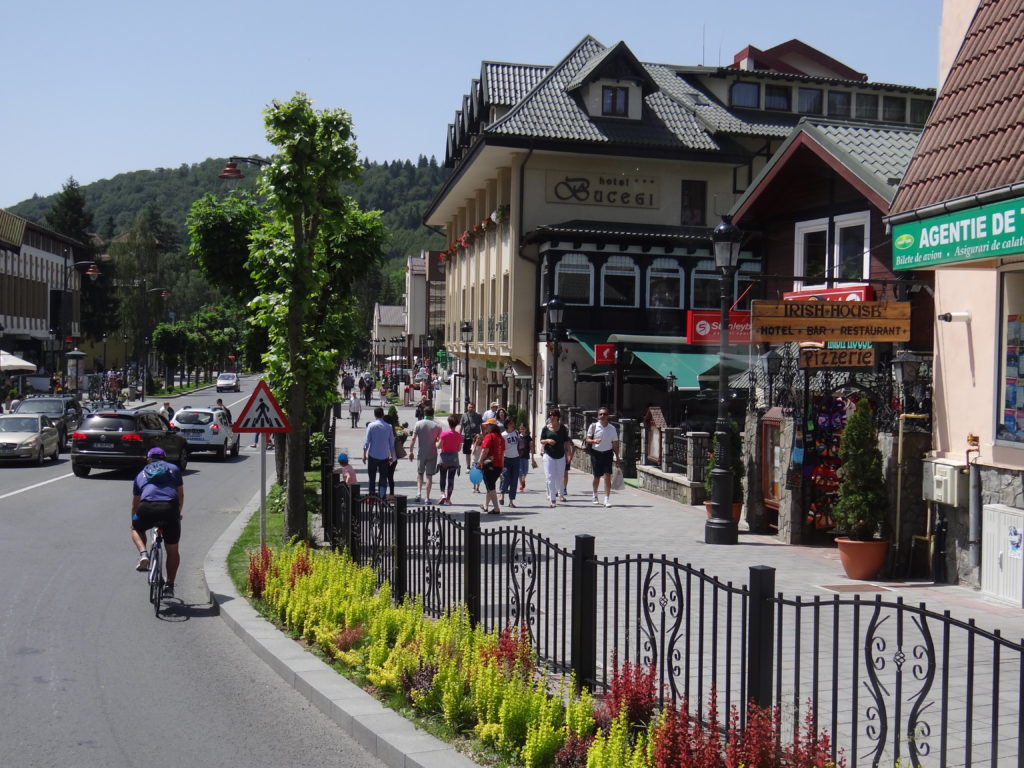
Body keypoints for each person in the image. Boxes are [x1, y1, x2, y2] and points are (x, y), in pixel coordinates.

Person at [130, 446, 184, 596]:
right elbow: (180, 495)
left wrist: (134, 520)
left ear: (148, 459)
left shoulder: (141, 474)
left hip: (146, 508)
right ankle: (170, 586)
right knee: (173, 550)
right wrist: (177, 513)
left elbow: (135, 504)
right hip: (169, 508)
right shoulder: (173, 469)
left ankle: (143, 554)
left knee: (136, 529)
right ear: (164, 459)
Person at [586, 408, 620, 507]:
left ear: (607, 416)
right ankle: (595, 495)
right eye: (600, 414)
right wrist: (594, 441)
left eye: (604, 414)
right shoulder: (593, 426)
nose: (602, 416)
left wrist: (617, 457)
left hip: (608, 454)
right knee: (596, 476)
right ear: (598, 416)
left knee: (607, 476)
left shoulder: (612, 428)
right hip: (596, 453)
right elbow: (587, 439)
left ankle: (606, 499)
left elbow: (615, 444)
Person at [539, 408, 572, 508]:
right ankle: (552, 499)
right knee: (550, 477)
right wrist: (548, 441)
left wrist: (568, 455)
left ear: (557, 417)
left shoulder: (562, 428)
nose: (551, 417)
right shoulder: (545, 428)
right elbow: (541, 440)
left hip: (560, 455)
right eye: (550, 415)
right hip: (548, 455)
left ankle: (560, 493)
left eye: (553, 415)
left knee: (560, 477)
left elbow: (566, 442)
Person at [409, 405, 441, 503]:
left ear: (424, 413)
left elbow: (413, 438)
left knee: (420, 473)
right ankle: (427, 497)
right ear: (433, 414)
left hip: (421, 453)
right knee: (429, 476)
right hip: (432, 453)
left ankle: (418, 493)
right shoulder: (437, 426)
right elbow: (439, 442)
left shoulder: (418, 424)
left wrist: (410, 451)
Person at [362, 406, 396, 498]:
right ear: (383, 414)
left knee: (372, 478)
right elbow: (392, 443)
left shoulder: (371, 426)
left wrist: (364, 454)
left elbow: (367, 441)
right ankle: (382, 496)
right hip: (384, 456)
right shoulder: (388, 427)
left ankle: (372, 496)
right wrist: (392, 456)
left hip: (373, 455)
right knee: (383, 478)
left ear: (375, 415)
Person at [477, 418, 504, 514]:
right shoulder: (500, 437)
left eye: (487, 425)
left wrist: (479, 461)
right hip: (498, 466)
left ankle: (496, 508)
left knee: (491, 487)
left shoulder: (489, 436)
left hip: (489, 465)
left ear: (492, 426)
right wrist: (502, 466)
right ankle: (486, 505)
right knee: (490, 486)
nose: (485, 427)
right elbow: (503, 453)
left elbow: (485, 451)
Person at [436, 414, 462, 505]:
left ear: (449, 423)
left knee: (442, 477)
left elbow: (439, 446)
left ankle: (442, 494)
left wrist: (436, 442)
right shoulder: (459, 435)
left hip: (444, 459)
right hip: (454, 459)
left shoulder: (444, 434)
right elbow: (459, 449)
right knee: (451, 479)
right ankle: (448, 499)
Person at [498, 417, 520, 507]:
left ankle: (511, 501)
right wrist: (501, 462)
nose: (512, 424)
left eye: (513, 423)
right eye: (510, 423)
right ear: (506, 425)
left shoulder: (516, 433)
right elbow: (501, 449)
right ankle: (502, 495)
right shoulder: (503, 435)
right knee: (506, 479)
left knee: (514, 480)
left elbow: (519, 443)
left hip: (516, 458)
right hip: (506, 459)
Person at [459, 402, 483, 471]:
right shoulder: (464, 415)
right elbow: (461, 426)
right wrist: (459, 435)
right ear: (467, 407)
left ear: (474, 408)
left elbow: (482, 425)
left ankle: (477, 465)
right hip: (467, 437)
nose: (471, 408)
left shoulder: (478, 415)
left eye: (472, 407)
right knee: (467, 452)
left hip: (477, 438)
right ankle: (468, 467)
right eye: (469, 407)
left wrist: (483, 435)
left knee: (477, 451)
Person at [517, 423, 536, 491]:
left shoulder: (528, 437)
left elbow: (531, 447)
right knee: (520, 471)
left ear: (525, 429)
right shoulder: (518, 437)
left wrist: (533, 457)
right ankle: (521, 485)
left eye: (523, 429)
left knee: (525, 471)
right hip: (519, 456)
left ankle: (523, 480)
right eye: (521, 429)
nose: (522, 430)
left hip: (526, 456)